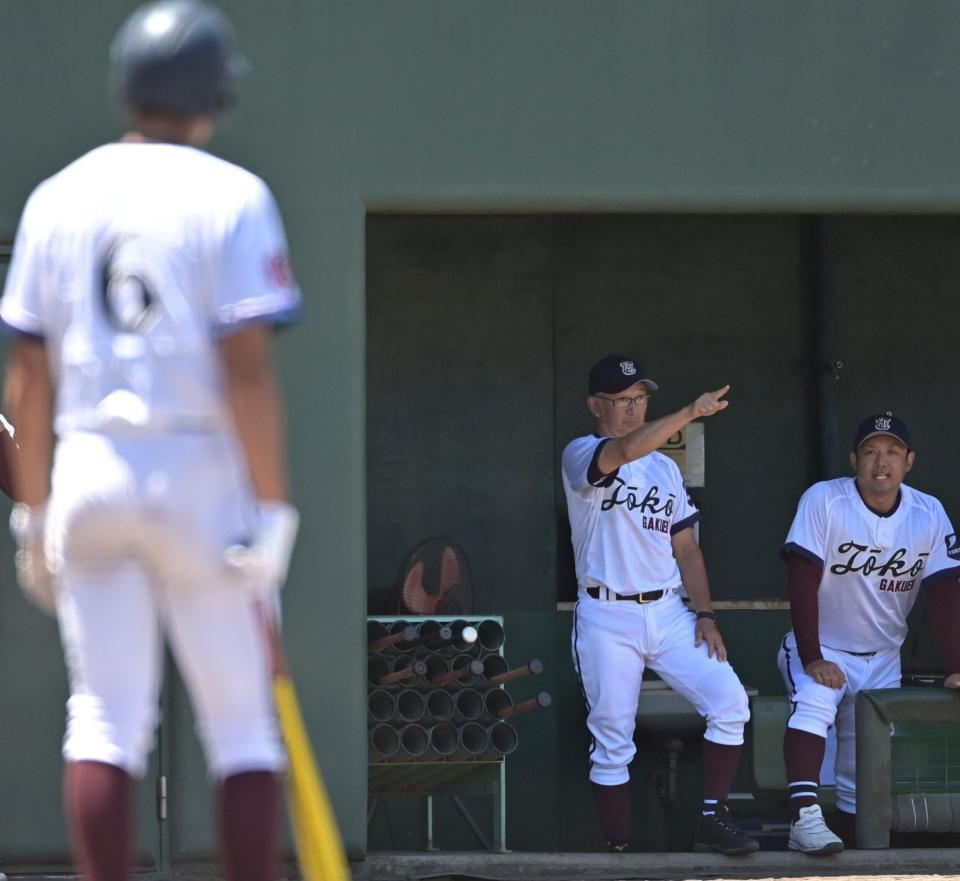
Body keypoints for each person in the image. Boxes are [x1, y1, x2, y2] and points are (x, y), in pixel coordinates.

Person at [1, 3, 301, 880]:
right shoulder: (232, 193)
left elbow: (28, 374)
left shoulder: (57, 194)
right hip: (198, 465)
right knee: (241, 725)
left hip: (87, 464)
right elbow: (246, 370)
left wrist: (32, 515)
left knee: (102, 718)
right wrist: (272, 510)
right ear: (212, 92)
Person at [562, 353, 758, 855]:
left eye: (640, 398)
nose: (632, 408)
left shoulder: (665, 472)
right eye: (621, 400)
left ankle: (712, 819)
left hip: (669, 612)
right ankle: (619, 852)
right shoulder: (580, 453)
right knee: (613, 739)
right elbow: (624, 450)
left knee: (730, 703)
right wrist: (691, 411)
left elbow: (687, 548)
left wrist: (707, 614)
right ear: (595, 405)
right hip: (607, 613)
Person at [778, 413, 960, 854]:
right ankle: (803, 819)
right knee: (813, 706)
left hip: (882, 656)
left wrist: (957, 665)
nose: (882, 462)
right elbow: (801, 578)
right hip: (823, 644)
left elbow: (945, 593)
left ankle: (861, 854)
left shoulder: (928, 512)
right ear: (853, 459)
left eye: (893, 452)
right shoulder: (825, 500)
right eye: (871, 451)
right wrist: (812, 655)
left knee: (864, 768)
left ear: (910, 461)